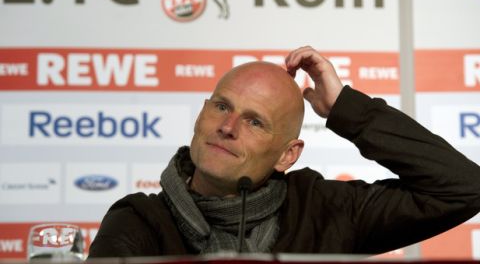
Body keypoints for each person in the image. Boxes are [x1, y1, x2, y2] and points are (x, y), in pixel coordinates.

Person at [88, 46, 480, 257]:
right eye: (222, 107)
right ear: (202, 112)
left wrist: (346, 108)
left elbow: (464, 188)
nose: (228, 127)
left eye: (255, 121)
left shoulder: (325, 212)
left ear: (287, 155)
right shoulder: (138, 220)